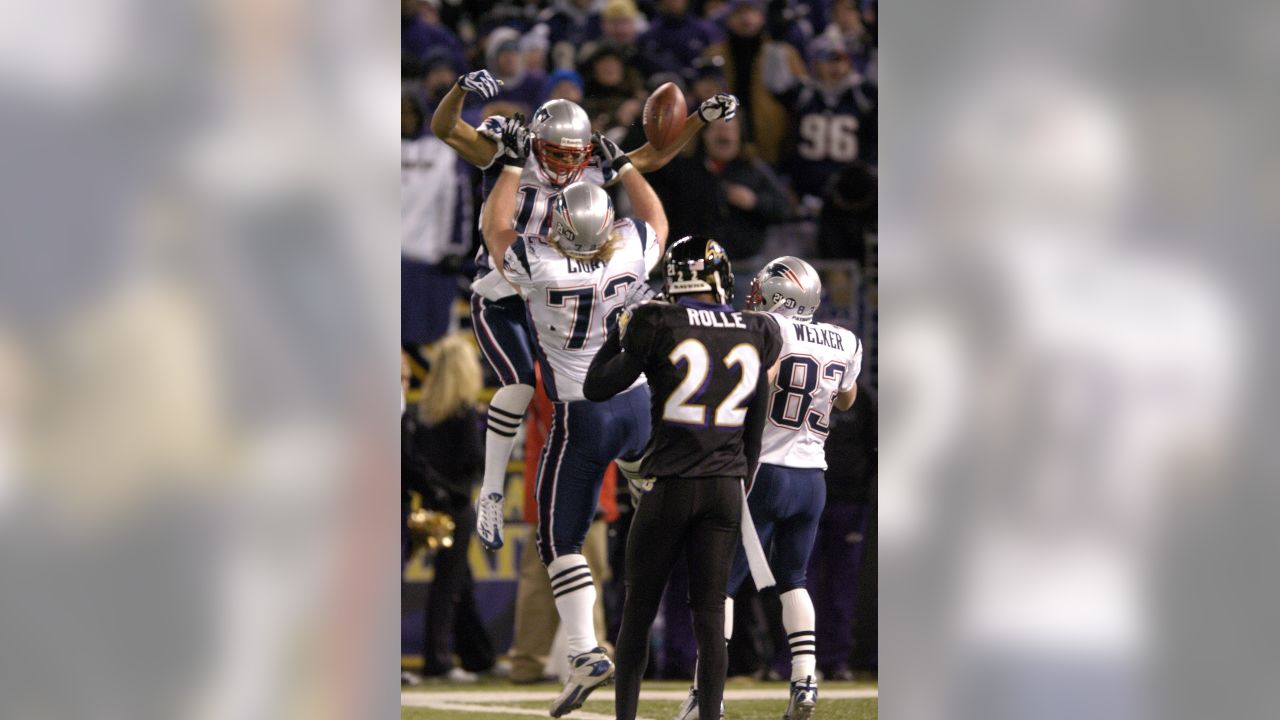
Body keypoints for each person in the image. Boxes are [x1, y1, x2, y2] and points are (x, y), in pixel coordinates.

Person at [430, 68, 739, 554]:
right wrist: (460, 90)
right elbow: (447, 129)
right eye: (554, 154)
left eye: (575, 156)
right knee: (517, 386)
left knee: (622, 388)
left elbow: (652, 155)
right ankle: (491, 490)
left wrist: (698, 117)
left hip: (563, 296)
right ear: (535, 143)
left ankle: (641, 477)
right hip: (509, 289)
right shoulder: (511, 151)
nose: (565, 165)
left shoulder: (593, 158)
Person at [483, 128, 669, 717]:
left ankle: (586, 649)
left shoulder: (540, 263)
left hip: (583, 411)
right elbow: (656, 221)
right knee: (669, 512)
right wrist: (623, 170)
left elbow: (496, 229)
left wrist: (512, 165)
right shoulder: (634, 246)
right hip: (639, 406)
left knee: (559, 539)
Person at [583, 236, 784, 720]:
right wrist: (738, 482)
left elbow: (596, 386)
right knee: (710, 617)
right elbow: (753, 434)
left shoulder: (657, 319)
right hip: (725, 488)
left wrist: (620, 331)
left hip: (669, 484)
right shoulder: (757, 328)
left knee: (637, 614)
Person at [678, 257, 863, 720]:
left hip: (764, 470)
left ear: (778, 293)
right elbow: (846, 397)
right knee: (793, 579)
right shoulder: (846, 338)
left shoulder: (762, 326)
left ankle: (707, 694)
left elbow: (748, 385)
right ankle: (805, 679)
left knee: (720, 586)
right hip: (812, 476)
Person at [401, 333, 498, 681]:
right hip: (455, 507)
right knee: (448, 584)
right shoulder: (462, 412)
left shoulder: (423, 412)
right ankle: (437, 658)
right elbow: (475, 461)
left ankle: (478, 656)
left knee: (461, 583)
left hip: (429, 507)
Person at [648, 119, 791, 263]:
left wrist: (754, 201)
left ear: (739, 137)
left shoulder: (753, 168)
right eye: (718, 129)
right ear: (705, 135)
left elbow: (784, 207)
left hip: (744, 263)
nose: (724, 134)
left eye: (730, 130)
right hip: (694, 263)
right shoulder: (683, 169)